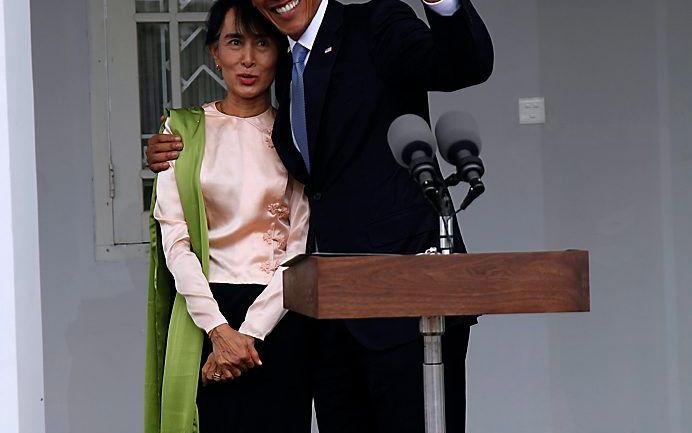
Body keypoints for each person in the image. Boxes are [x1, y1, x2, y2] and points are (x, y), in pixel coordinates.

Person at [147, 0, 494, 431]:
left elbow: (462, 64)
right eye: (236, 43)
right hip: (326, 319)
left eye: (258, 44)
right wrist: (174, 150)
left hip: (405, 304)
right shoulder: (288, 66)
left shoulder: (375, 24)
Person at [143, 1, 313, 432]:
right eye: (235, 42)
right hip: (203, 313)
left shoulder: (296, 137)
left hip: (278, 320)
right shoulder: (181, 130)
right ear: (214, 52)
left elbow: (298, 246)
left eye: (263, 43)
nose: (249, 59)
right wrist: (219, 331)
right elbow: (175, 241)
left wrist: (249, 333)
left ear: (281, 51)